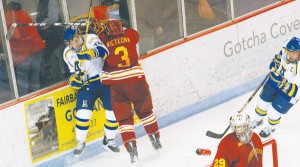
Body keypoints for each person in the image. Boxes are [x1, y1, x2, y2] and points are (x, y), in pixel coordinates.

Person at [98, 19, 162, 163]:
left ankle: (132, 147)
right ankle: (154, 137)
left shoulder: (104, 40)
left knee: (124, 119)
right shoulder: (131, 35)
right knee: (146, 112)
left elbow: (100, 38)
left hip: (118, 85)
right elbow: (133, 33)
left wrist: (102, 29)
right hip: (137, 82)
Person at [63, 26, 119, 158]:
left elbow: (105, 52)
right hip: (87, 85)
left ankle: (109, 140)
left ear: (80, 35)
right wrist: (73, 80)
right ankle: (80, 142)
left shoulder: (90, 39)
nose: (74, 44)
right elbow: (72, 72)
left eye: (76, 40)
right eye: (71, 42)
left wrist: (91, 53)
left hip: (103, 80)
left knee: (113, 112)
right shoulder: (67, 53)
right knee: (82, 114)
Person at [251, 37, 300, 138]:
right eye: (290, 52)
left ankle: (270, 127)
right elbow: (278, 58)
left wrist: (281, 82)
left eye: (296, 53)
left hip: (290, 93)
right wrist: (274, 66)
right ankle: (257, 120)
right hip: (276, 80)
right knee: (262, 103)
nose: (292, 56)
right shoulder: (285, 47)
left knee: (273, 112)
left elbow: (296, 91)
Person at [4, 1, 45, 97]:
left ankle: (24, 102)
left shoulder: (8, 17)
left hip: (24, 52)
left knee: (22, 80)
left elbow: (10, 36)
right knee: (34, 78)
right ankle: (36, 98)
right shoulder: (24, 14)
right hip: (37, 47)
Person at [37, 0, 66, 87]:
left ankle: (63, 80)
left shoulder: (51, 1)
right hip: (49, 36)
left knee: (59, 60)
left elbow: (53, 18)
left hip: (55, 35)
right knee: (49, 59)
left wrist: (40, 25)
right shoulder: (41, 2)